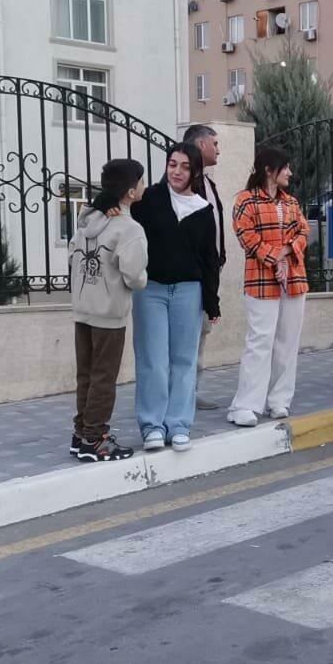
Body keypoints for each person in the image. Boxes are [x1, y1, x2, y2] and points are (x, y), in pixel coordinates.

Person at [129, 142, 222, 452]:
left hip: (188, 292)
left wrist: (212, 302)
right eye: (172, 164)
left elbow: (209, 259)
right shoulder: (149, 199)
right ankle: (152, 426)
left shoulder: (203, 209)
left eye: (184, 166)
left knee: (184, 361)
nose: (177, 171)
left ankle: (179, 425)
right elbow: (123, 212)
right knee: (153, 360)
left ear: (195, 171)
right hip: (150, 291)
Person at [68, 159, 150, 462]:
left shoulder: (86, 222)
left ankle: (81, 433)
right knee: (104, 377)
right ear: (130, 191)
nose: (144, 186)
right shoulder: (129, 229)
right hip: (109, 314)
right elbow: (135, 276)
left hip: (83, 309)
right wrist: (141, 278)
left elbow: (72, 256)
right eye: (141, 181)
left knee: (86, 376)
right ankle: (95, 439)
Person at [226, 147, 310, 427]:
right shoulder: (245, 200)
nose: (290, 173)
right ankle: (245, 405)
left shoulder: (291, 202)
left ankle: (279, 400)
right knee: (260, 341)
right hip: (261, 280)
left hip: (294, 279)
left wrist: (285, 253)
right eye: (285, 167)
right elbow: (246, 236)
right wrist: (276, 259)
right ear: (268, 170)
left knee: (288, 341)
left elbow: (303, 231)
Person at [182, 125, 229, 412]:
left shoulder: (207, 182)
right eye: (215, 143)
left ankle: (191, 391)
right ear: (201, 145)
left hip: (209, 272)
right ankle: (182, 393)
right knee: (188, 336)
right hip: (193, 274)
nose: (218, 149)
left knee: (200, 333)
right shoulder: (184, 183)